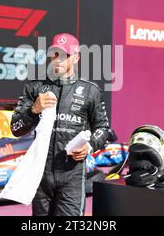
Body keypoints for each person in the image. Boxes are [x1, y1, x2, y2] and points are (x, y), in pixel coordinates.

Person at [11, 33, 110, 216]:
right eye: (55, 54)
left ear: (77, 57)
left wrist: (89, 146)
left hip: (72, 175)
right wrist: (33, 110)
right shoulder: (35, 87)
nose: (58, 60)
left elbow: (103, 128)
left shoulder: (90, 90)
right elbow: (15, 128)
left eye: (64, 55)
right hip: (41, 175)